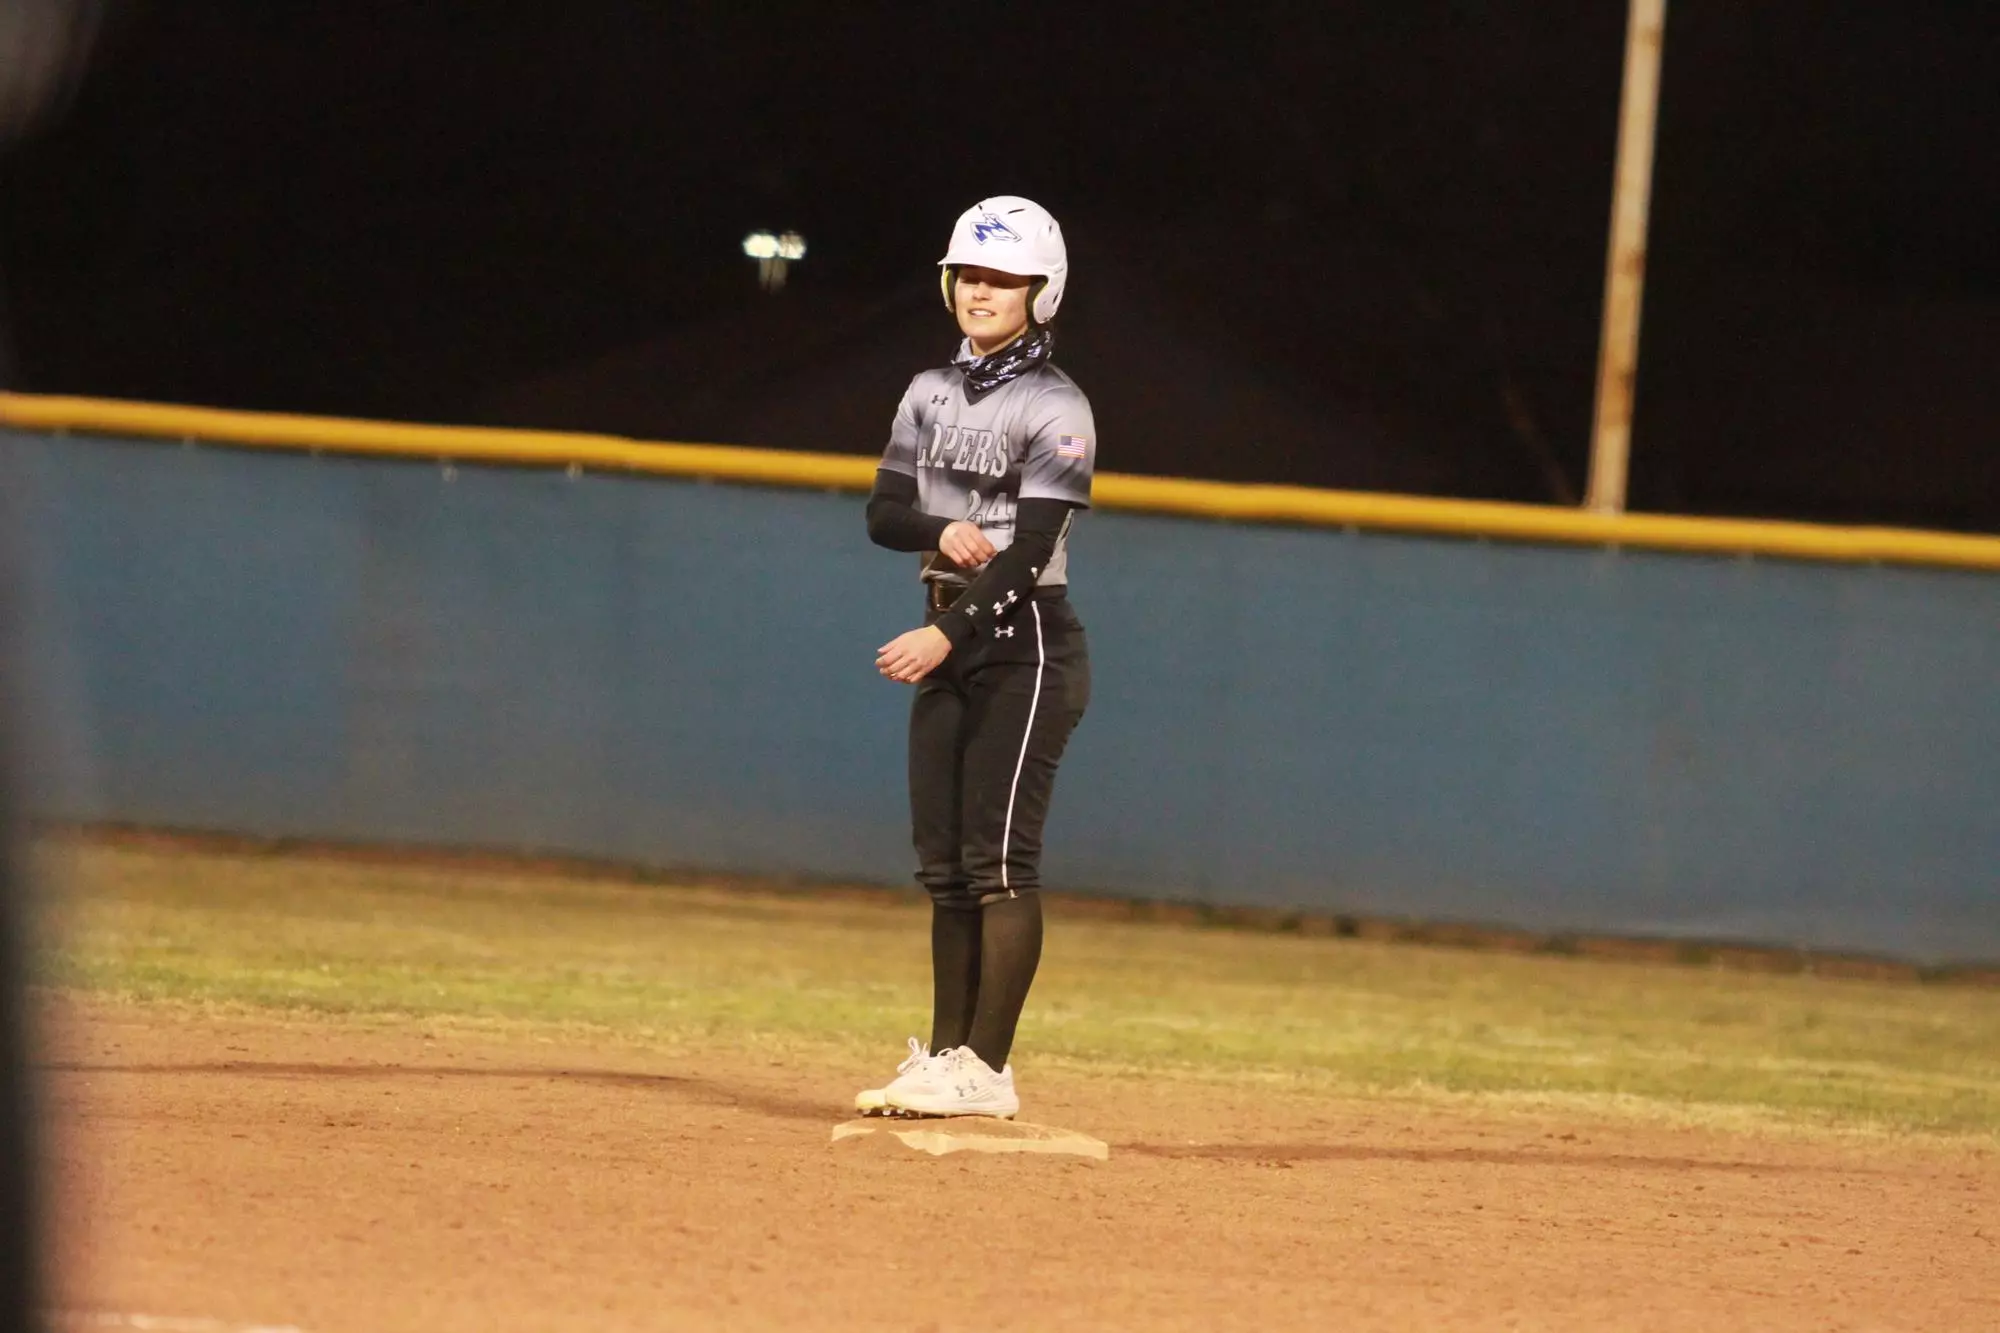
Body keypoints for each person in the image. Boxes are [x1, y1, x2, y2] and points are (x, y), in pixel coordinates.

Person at [857, 196, 1096, 1119]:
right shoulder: (928, 389)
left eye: (1004, 278)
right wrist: (941, 525)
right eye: (971, 274)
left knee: (999, 864)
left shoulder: (1058, 403)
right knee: (946, 868)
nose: (982, 291)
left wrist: (946, 635)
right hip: (953, 638)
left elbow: (1032, 550)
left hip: (1023, 643)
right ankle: (947, 1057)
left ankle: (987, 1070)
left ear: (1043, 291)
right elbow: (883, 515)